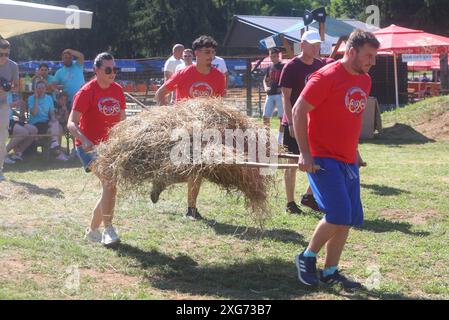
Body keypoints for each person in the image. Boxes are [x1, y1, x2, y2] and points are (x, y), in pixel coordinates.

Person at [293, 29, 379, 289]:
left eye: (374, 57)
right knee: (339, 213)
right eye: (368, 56)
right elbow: (298, 110)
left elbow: (348, 119)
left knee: (349, 216)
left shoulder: (364, 81)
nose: (372, 62)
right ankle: (307, 257)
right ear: (351, 52)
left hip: (347, 159)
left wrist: (355, 152)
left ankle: (330, 271)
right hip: (322, 158)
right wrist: (305, 153)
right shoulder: (325, 77)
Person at [155, 35, 226, 220]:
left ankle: (188, 206)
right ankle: (168, 183)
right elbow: (160, 93)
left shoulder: (218, 77)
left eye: (213, 52)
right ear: (196, 54)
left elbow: (219, 105)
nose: (211, 56)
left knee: (198, 167)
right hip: (182, 127)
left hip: (204, 129)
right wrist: (167, 116)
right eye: (206, 52)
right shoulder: (184, 73)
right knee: (192, 166)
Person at [67, 52, 126, 247]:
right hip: (89, 148)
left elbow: (122, 120)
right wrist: (83, 139)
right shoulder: (86, 92)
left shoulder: (118, 90)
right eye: (108, 70)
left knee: (109, 188)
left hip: (110, 147)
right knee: (110, 183)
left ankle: (92, 231)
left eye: (114, 69)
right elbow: (71, 124)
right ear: (96, 70)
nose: (112, 73)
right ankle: (108, 229)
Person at [279, 30, 330, 215]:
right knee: (291, 163)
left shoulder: (320, 64)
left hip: (313, 122)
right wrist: (291, 123)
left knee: (319, 158)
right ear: (302, 45)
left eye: (318, 44)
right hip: (293, 121)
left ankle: (309, 196)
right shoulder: (291, 66)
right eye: (312, 44)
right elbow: (285, 96)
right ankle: (290, 202)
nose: (316, 48)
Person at [27, 80, 69, 161]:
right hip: (35, 123)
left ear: (45, 89)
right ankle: (57, 152)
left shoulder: (49, 98)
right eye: (39, 88)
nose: (41, 90)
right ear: (35, 89)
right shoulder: (31, 98)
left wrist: (53, 118)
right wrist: (36, 99)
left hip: (46, 122)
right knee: (56, 129)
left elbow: (51, 112)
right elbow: (34, 113)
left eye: (43, 88)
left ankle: (55, 147)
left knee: (56, 124)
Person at [0, 38, 19, 182]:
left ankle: (0, 169)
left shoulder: (13, 66)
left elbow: (16, 87)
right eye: (1, 54)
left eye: (6, 54)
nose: (4, 58)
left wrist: (8, 87)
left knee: (2, 137)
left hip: (3, 104)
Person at [262, 47, 284, 144]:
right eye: (271, 56)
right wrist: (265, 87)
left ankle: (279, 140)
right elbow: (264, 79)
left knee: (281, 118)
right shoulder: (269, 67)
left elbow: (287, 78)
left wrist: (282, 87)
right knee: (265, 117)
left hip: (280, 95)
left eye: (274, 56)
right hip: (270, 94)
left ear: (278, 56)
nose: (272, 58)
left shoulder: (283, 66)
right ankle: (267, 139)